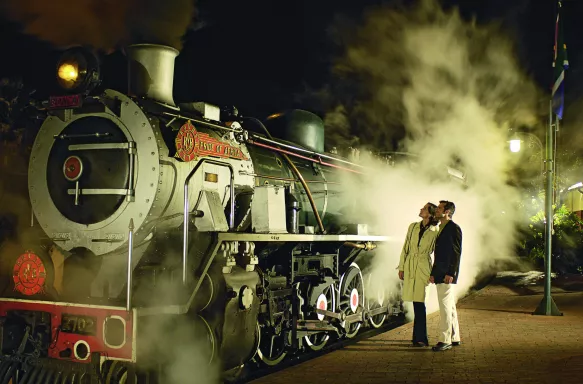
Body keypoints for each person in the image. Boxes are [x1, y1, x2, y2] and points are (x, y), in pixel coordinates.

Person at [397, 202, 439, 347]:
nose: (421, 209)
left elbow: (437, 253)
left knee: (420, 302)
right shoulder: (413, 226)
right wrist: (401, 267)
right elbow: (406, 247)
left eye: (424, 208)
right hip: (410, 266)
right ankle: (417, 337)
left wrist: (434, 272)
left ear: (430, 213)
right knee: (415, 302)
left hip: (423, 267)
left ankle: (421, 338)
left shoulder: (435, 230)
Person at [430, 200, 462, 352]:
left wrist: (451, 273)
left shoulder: (454, 228)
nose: (436, 210)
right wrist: (433, 273)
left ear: (447, 212)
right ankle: (455, 337)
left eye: (440, 208)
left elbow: (456, 253)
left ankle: (445, 340)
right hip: (440, 273)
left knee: (444, 309)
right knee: (450, 307)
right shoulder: (440, 227)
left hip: (446, 274)